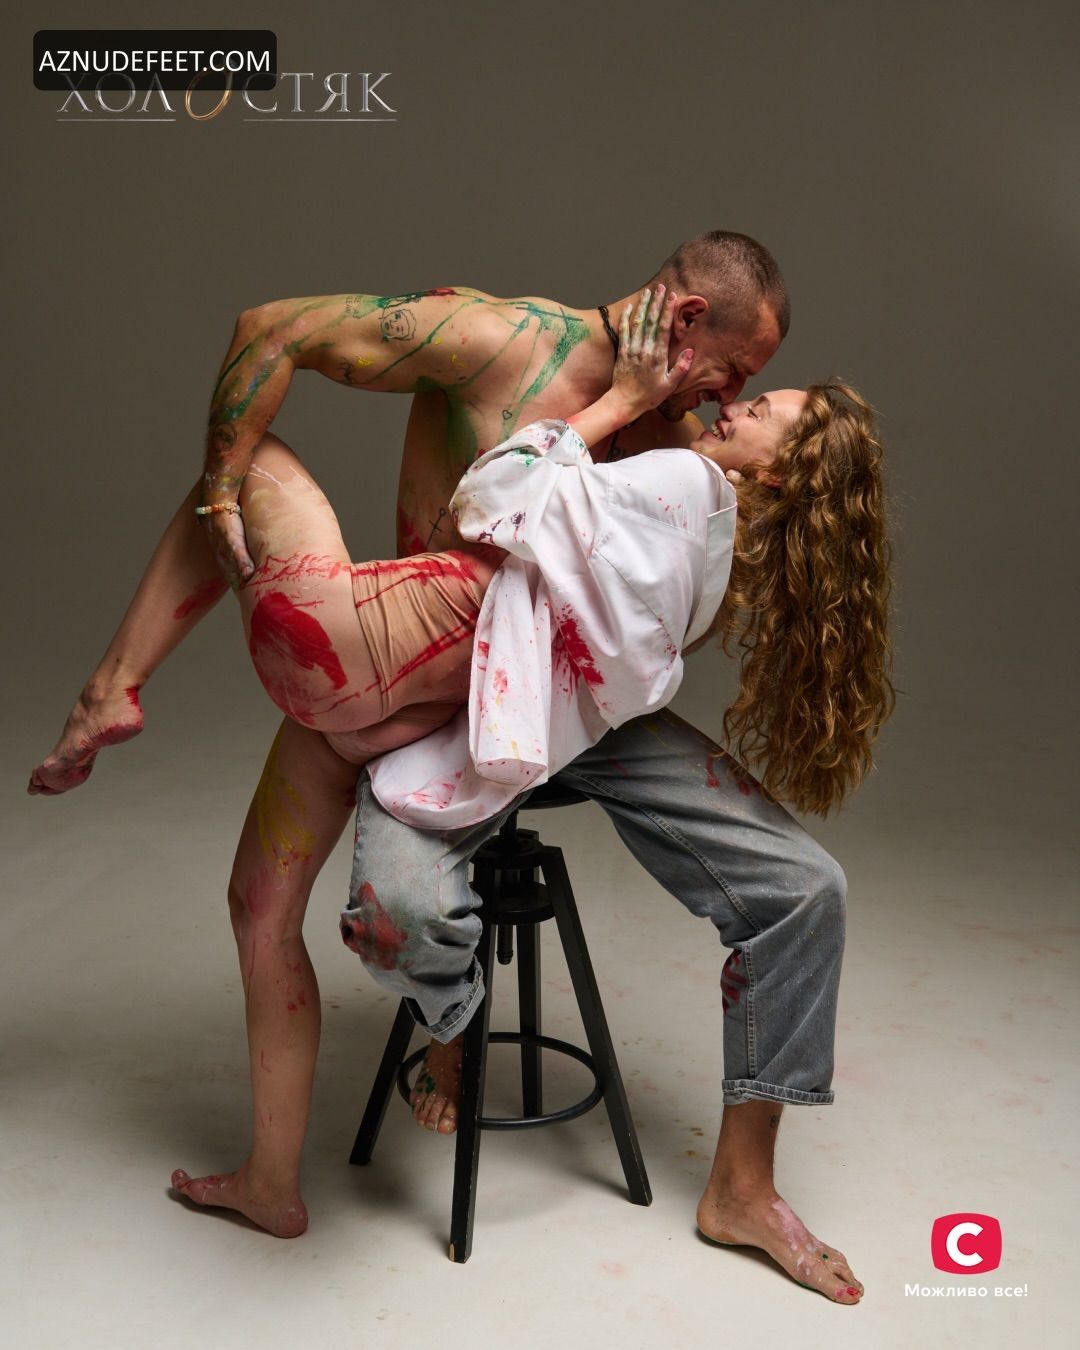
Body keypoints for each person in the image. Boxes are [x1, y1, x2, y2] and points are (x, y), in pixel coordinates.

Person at [28, 231, 889, 1304]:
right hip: (437, 709)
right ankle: (444, 1028)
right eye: (737, 373)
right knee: (392, 914)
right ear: (684, 323)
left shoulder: (687, 442)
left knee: (804, 889)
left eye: (749, 394)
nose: (730, 399)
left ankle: (743, 1190)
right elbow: (274, 333)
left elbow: (663, 618)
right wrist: (219, 493)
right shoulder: (503, 342)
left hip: (579, 714)